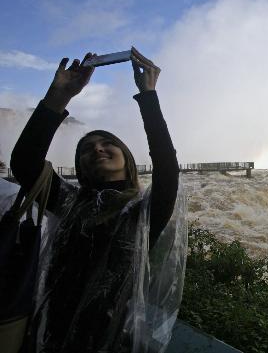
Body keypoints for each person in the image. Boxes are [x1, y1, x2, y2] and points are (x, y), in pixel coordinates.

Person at [10, 48, 185, 352]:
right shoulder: (70, 201)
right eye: (87, 148)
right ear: (80, 166)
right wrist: (59, 96)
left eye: (108, 143)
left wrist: (148, 97)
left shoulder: (142, 212)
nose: (98, 149)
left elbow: (167, 170)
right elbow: (25, 163)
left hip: (110, 339)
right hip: (46, 334)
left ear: (127, 159)